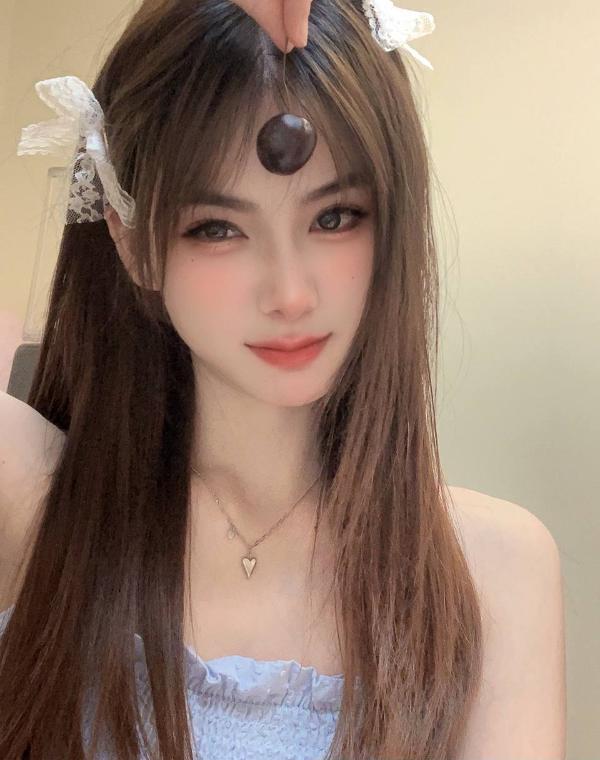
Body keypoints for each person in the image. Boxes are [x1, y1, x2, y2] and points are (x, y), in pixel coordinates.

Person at [0, 1, 566, 759]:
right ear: (131, 243)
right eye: (217, 228)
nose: (290, 293)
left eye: (334, 218)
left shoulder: (493, 574)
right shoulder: (32, 500)